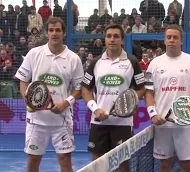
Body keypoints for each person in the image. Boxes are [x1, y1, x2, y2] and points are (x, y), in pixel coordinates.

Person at [15, 17, 84, 172]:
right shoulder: (34, 54)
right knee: (33, 160)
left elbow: (79, 89)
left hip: (62, 120)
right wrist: (27, 98)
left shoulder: (74, 59)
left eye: (58, 30)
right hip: (36, 121)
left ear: (64, 33)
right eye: (51, 30)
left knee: (65, 159)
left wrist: (66, 103)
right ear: (46, 33)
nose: (54, 33)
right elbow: (23, 80)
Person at [80, 24, 146, 171]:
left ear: (122, 40)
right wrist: (95, 109)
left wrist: (130, 102)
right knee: (97, 163)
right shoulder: (95, 62)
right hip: (98, 122)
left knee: (123, 163)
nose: (112, 39)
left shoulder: (132, 61)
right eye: (109, 36)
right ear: (105, 39)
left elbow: (141, 88)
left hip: (123, 123)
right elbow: (85, 89)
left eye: (116, 36)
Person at [144, 24, 190, 172]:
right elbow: (148, 92)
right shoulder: (155, 64)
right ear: (164, 40)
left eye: (175, 37)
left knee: (186, 165)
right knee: (164, 164)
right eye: (169, 37)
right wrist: (153, 114)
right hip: (162, 124)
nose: (171, 40)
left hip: (185, 124)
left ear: (181, 40)